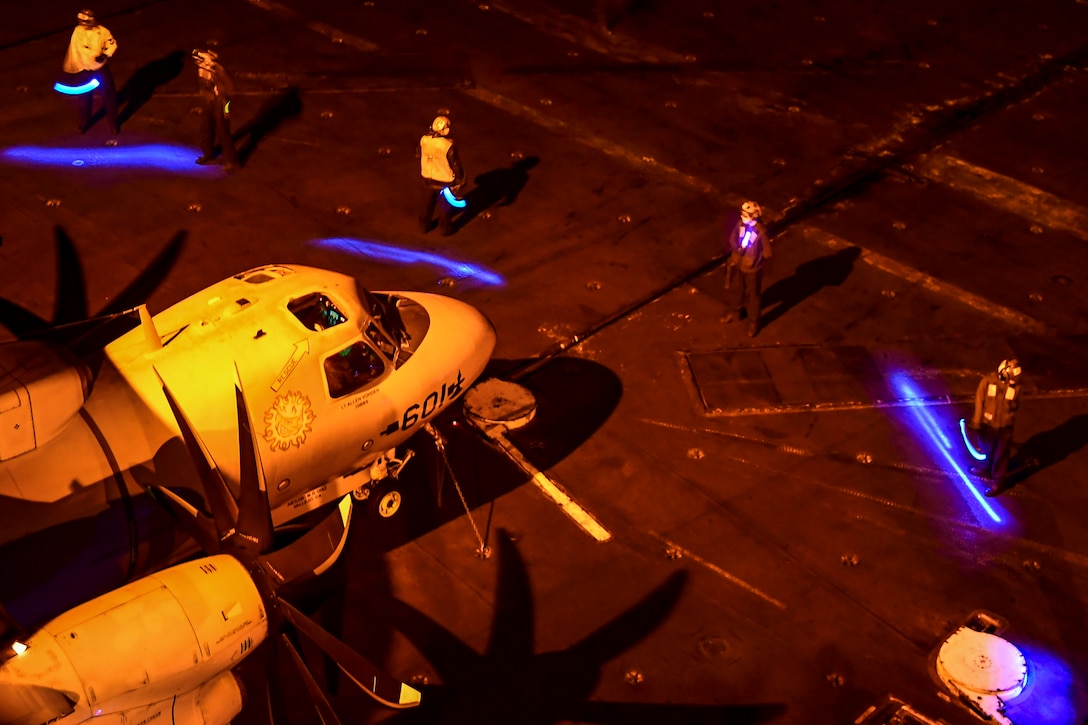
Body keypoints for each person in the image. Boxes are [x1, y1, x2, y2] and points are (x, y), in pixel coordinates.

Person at [969, 359, 1022, 496]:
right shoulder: (988, 382)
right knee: (987, 449)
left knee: (1001, 454)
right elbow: (980, 401)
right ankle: (986, 468)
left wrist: (1010, 389)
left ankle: (998, 481)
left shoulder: (1014, 386)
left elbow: (1015, 405)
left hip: (1005, 427)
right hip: (989, 425)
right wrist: (977, 421)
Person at [62, 9, 118, 134]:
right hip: (84, 70)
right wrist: (71, 70)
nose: (83, 24)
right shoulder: (77, 32)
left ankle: (113, 123)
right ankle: (84, 122)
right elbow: (74, 52)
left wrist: (105, 55)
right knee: (84, 98)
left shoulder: (103, 32)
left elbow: (112, 45)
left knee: (109, 96)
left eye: (86, 21)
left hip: (100, 69)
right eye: (81, 21)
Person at [724, 201, 772, 337]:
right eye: (743, 214)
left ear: (755, 215)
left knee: (753, 296)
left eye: (746, 215)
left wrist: (755, 262)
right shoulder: (740, 225)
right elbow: (732, 239)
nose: (743, 217)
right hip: (739, 264)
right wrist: (736, 249)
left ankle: (754, 322)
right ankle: (735, 313)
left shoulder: (760, 232)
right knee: (737, 290)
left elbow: (767, 253)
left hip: (752, 270)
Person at [417, 115, 465, 236]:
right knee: (444, 207)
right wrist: (460, 180)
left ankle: (424, 226)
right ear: (445, 129)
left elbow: (419, 153)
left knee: (427, 205)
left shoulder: (424, 139)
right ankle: (445, 229)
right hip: (444, 181)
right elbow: (455, 164)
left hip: (427, 177)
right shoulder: (448, 145)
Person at [192, 48, 239, 170]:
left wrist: (225, 106)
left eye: (198, 59)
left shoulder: (218, 69)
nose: (196, 62)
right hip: (209, 102)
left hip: (224, 103)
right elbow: (203, 88)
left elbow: (230, 89)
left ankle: (232, 161)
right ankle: (208, 154)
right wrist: (203, 103)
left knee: (223, 130)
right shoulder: (202, 70)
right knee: (206, 127)